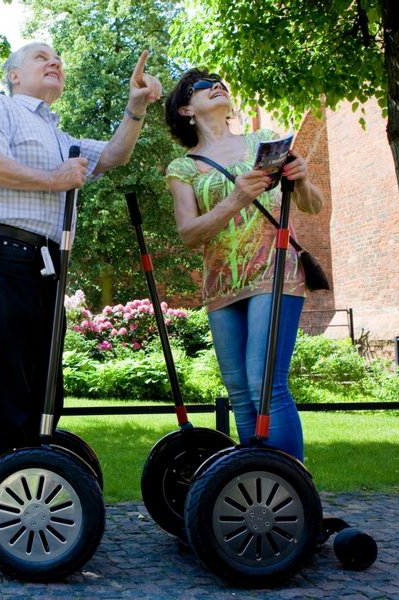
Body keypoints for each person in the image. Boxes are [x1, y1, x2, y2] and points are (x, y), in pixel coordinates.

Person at [0, 43, 162, 463]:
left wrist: (136, 106)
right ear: (14, 75)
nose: (54, 62)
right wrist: (52, 179)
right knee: (12, 384)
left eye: (58, 59)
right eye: (40, 57)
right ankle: (2, 491)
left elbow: (112, 155)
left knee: (45, 386)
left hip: (44, 262)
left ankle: (35, 472)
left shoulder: (59, 136)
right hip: (4, 252)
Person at [163, 68, 325, 462]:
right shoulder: (183, 168)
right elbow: (189, 234)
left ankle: (292, 489)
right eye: (203, 86)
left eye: (221, 83)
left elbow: (312, 205)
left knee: (265, 384)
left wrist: (302, 180)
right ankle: (257, 484)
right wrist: (233, 200)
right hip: (221, 285)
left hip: (274, 273)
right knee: (239, 392)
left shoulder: (263, 143)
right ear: (186, 108)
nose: (217, 87)